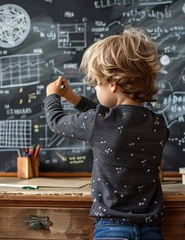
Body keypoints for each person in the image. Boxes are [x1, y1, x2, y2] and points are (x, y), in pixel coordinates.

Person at [45, 26, 169, 240]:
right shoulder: (158, 124)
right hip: (151, 229)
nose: (95, 88)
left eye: (96, 83)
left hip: (111, 228)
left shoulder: (100, 123)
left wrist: (52, 96)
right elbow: (109, 120)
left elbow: (56, 122)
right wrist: (74, 99)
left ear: (112, 85)